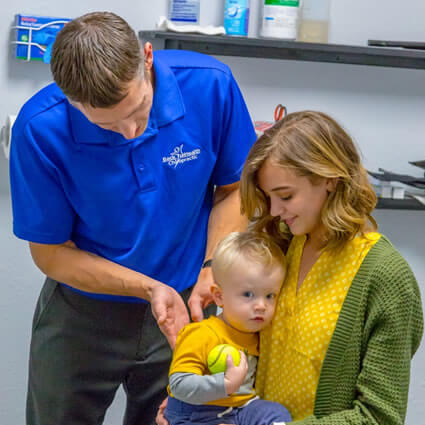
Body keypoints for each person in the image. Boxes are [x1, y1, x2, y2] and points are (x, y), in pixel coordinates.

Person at [9, 11, 256, 425]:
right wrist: (147, 288)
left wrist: (213, 267)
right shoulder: (40, 129)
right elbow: (51, 253)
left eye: (137, 110)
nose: (129, 133)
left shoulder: (211, 86)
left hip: (188, 306)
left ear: (147, 57)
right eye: (106, 125)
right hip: (82, 313)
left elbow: (235, 191)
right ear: (69, 98)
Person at [238, 110, 423, 424]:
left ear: (329, 178)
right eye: (268, 197)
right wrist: (201, 401)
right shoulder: (282, 244)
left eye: (285, 195)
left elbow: (379, 418)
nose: (274, 210)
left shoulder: (386, 277)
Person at [164, 231, 292, 425]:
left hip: (240, 408)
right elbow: (179, 384)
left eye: (270, 295)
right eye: (248, 294)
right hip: (194, 412)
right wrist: (224, 384)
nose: (261, 305)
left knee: (275, 413)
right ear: (219, 296)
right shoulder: (202, 333)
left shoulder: (259, 335)